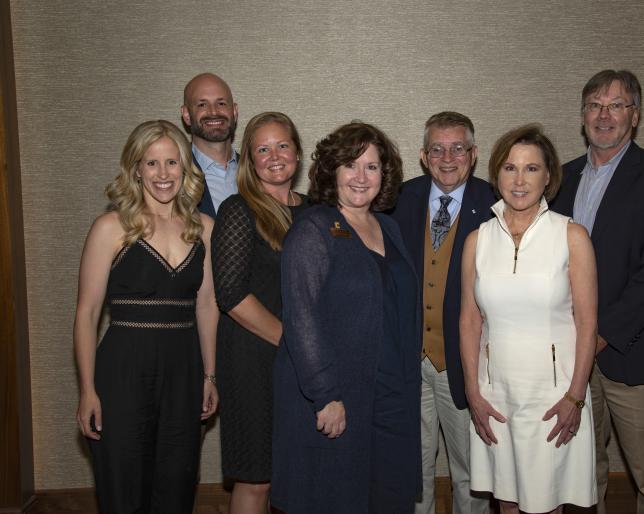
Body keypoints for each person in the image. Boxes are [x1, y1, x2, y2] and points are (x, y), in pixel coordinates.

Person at [551, 70, 644, 514]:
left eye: (616, 105)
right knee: (582, 474)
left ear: (635, 116)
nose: (603, 114)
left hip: (636, 352)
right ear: (582, 115)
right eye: (594, 105)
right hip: (571, 359)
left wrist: (600, 335)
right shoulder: (560, 180)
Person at [272, 122, 421, 514]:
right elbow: (301, 317)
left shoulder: (387, 226)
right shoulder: (314, 230)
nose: (360, 177)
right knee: (337, 498)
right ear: (331, 170)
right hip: (339, 397)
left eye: (371, 167)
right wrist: (325, 395)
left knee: (388, 497)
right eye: (350, 165)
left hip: (389, 392)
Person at [74, 120, 219, 514]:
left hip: (183, 371)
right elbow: (87, 313)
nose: (163, 174)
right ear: (135, 168)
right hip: (122, 369)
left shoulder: (204, 229)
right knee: (122, 484)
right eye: (151, 163)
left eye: (172, 162)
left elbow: (207, 305)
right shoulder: (110, 228)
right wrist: (87, 389)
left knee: (177, 480)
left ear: (185, 168)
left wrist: (209, 375)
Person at [459, 124, 598, 513]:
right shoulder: (478, 240)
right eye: (509, 168)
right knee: (506, 500)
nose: (519, 180)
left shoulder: (571, 236)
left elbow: (588, 323)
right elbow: (470, 320)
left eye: (531, 169)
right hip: (495, 394)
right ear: (495, 175)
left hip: (553, 396)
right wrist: (473, 391)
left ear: (549, 176)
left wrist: (574, 395)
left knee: (547, 503)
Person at [390, 111, 495, 514]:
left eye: (457, 148)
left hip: (465, 365)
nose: (446, 157)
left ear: (473, 153)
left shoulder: (495, 204)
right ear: (423, 155)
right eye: (437, 148)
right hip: (410, 363)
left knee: (471, 472)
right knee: (412, 471)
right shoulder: (399, 200)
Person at [211, 112, 307, 514]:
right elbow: (231, 295)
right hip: (254, 358)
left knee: (298, 472)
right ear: (250, 160)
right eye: (262, 149)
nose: (274, 156)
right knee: (257, 478)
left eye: (282, 145)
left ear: (298, 154)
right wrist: (293, 343)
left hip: (304, 361)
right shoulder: (239, 210)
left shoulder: (317, 212)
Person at [181, 72, 239, 216]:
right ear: (187, 115)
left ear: (234, 111)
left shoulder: (257, 171)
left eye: (221, 103)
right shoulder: (171, 174)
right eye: (202, 104)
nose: (213, 112)